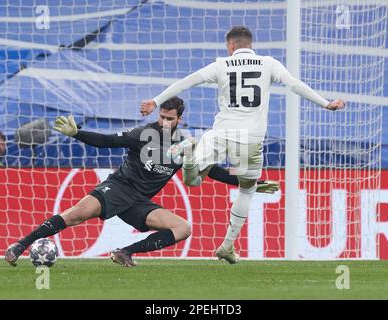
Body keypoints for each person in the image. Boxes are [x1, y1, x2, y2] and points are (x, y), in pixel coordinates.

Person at [140, 26, 346, 264]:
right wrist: (325, 103)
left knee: (192, 180)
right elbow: (294, 84)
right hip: (250, 140)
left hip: (220, 134)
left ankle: (188, 156)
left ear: (230, 46)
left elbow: (187, 82)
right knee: (247, 189)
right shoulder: (268, 63)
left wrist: (156, 101)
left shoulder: (220, 65)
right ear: (251, 44)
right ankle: (227, 245)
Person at [5, 97, 278, 267]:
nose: (163, 122)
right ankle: (20, 245)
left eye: (169, 119)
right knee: (75, 215)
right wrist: (78, 133)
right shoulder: (143, 133)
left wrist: (251, 183)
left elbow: (215, 172)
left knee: (183, 228)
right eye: (161, 116)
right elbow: (109, 141)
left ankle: (125, 252)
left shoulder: (185, 146)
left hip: (139, 202)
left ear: (179, 119)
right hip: (117, 188)